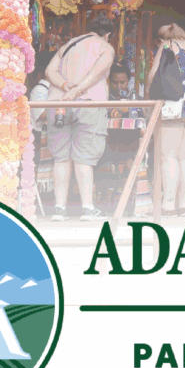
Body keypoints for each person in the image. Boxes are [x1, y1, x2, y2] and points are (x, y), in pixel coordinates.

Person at [40, 14, 117, 221]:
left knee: (61, 157)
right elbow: (96, 74)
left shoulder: (67, 46)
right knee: (84, 158)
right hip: (88, 103)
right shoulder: (105, 47)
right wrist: (76, 92)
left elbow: (49, 71)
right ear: (107, 34)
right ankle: (87, 208)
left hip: (59, 104)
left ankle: (59, 209)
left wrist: (66, 87)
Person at [145, 23, 185, 216]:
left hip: (176, 103)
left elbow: (153, 76)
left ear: (162, 38)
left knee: (168, 155)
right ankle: (182, 205)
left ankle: (168, 204)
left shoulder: (167, 46)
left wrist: (148, 98)